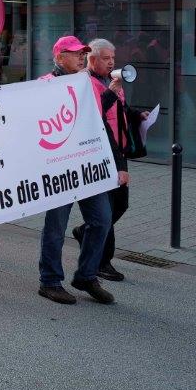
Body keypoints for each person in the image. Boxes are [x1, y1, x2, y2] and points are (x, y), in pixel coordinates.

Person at [36, 36, 119, 305]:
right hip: (59, 168)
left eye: (83, 53)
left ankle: (86, 275)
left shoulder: (87, 83)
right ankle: (50, 281)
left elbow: (97, 121)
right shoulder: (44, 84)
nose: (81, 57)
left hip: (87, 165)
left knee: (102, 220)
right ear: (59, 57)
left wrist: (118, 164)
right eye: (75, 54)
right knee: (56, 226)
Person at [72, 38, 149, 281]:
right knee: (106, 210)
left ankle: (86, 232)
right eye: (106, 58)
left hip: (118, 151)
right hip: (100, 153)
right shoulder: (84, 82)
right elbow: (92, 114)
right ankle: (102, 262)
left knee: (119, 205)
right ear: (92, 59)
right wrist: (110, 93)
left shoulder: (112, 81)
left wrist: (137, 115)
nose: (111, 62)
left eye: (113, 58)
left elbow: (121, 109)